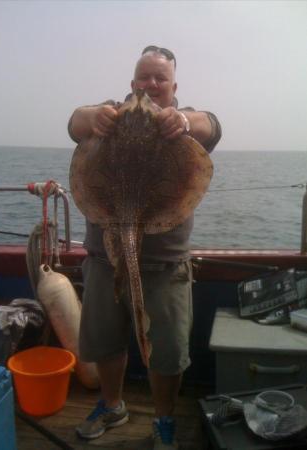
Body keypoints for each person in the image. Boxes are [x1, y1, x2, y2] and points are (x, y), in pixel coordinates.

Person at [68, 45, 221, 450]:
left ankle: (164, 419)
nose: (150, 84)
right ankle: (111, 404)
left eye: (160, 78)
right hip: (105, 256)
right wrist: (92, 116)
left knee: (167, 351)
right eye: (143, 77)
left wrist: (184, 121)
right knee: (105, 340)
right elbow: (74, 122)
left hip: (166, 265)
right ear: (132, 82)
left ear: (173, 86)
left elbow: (212, 124)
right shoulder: (111, 114)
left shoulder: (181, 123)